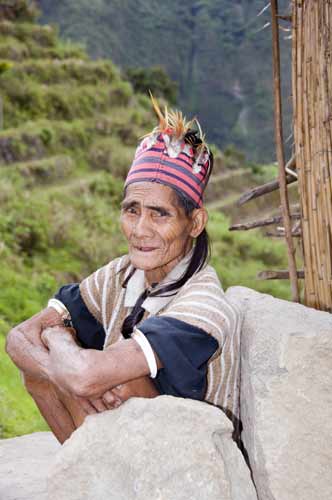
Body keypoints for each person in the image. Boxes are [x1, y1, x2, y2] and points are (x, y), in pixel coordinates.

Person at [6, 97, 241, 444]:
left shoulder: (203, 308)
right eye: (132, 211)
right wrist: (61, 369)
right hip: (128, 451)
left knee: (115, 378)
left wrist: (57, 337)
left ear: (195, 223)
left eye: (160, 214)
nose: (140, 229)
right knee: (42, 372)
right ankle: (85, 478)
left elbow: (85, 375)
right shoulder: (122, 274)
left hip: (191, 465)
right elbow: (17, 338)